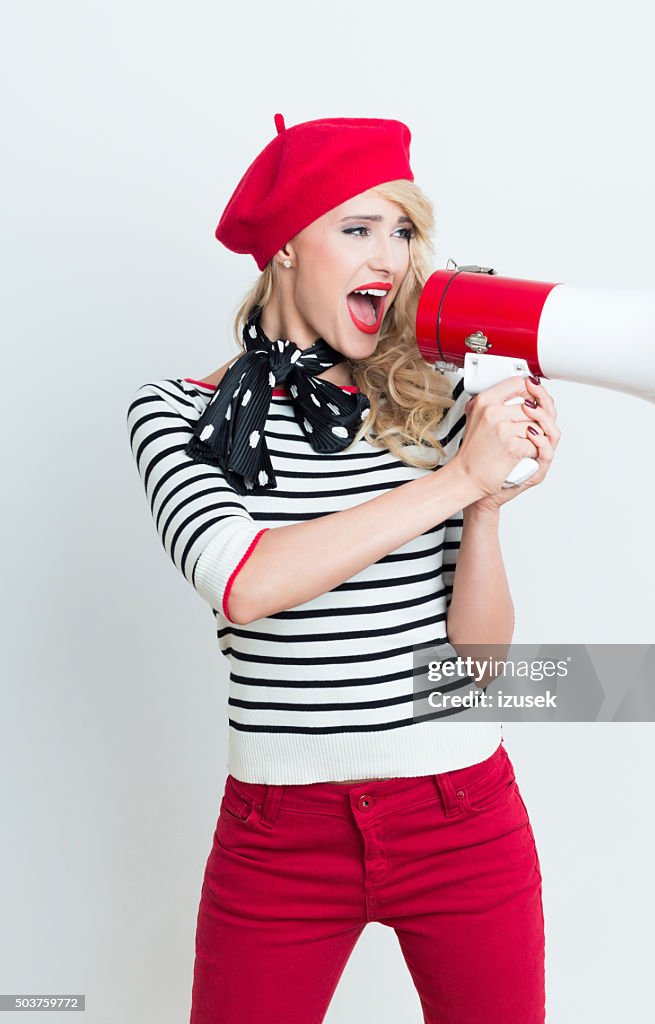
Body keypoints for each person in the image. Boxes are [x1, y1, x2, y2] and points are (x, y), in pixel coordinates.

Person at [126, 113, 560, 1024]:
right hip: (278, 838)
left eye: (402, 231)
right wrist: (452, 481)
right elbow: (245, 583)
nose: (390, 257)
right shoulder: (180, 413)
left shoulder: (430, 405)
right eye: (356, 228)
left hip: (462, 816)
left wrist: (480, 502)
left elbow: (478, 671)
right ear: (284, 248)